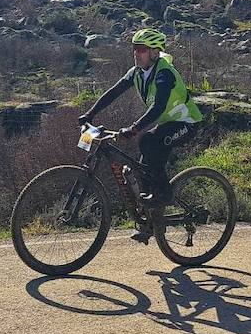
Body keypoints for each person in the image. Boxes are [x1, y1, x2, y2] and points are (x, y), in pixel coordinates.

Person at [79, 27, 204, 227]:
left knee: (149, 142)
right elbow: (113, 92)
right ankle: (150, 221)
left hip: (187, 123)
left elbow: (158, 107)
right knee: (143, 167)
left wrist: (134, 128)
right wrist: (90, 114)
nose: (136, 53)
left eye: (141, 49)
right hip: (167, 123)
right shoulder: (136, 73)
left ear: (155, 52)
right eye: (135, 48)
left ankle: (164, 195)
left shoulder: (164, 74)